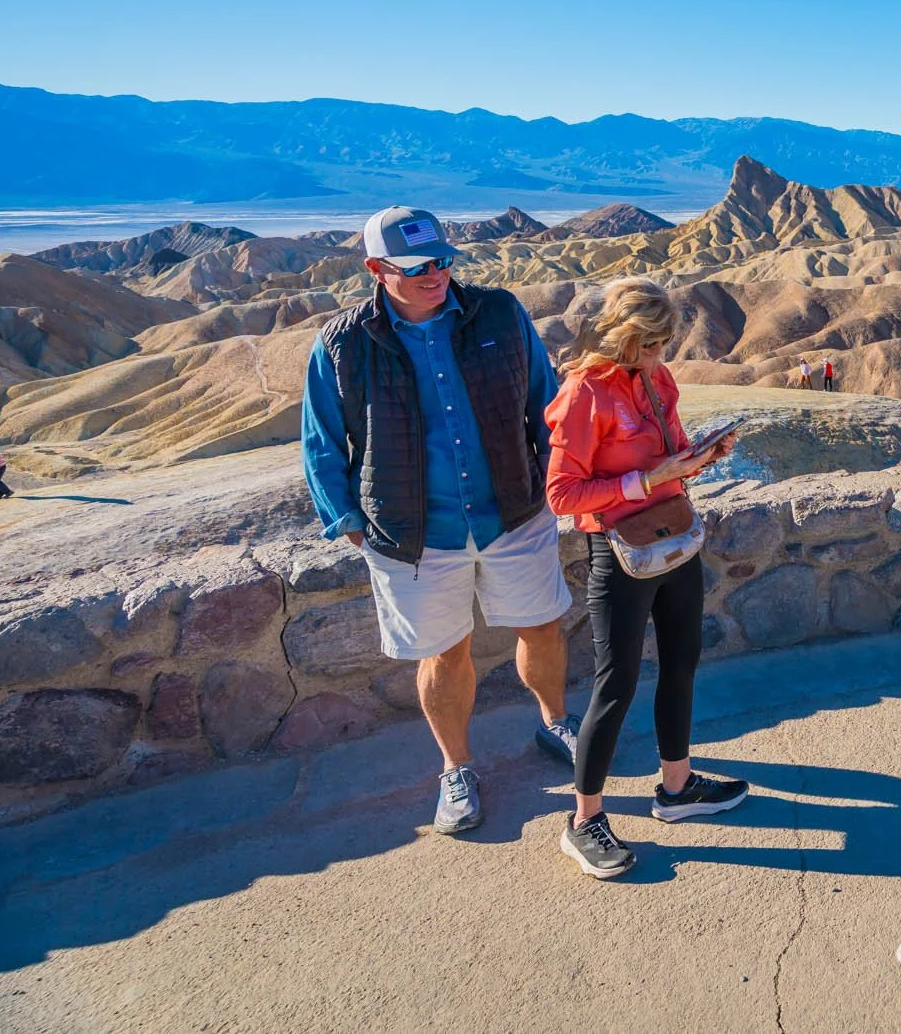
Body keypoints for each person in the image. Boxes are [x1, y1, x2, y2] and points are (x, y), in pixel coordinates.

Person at [302, 205, 576, 836]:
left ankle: (556, 721)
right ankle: (457, 769)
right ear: (375, 269)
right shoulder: (342, 343)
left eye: (445, 261)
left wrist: (561, 478)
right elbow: (321, 440)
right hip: (414, 535)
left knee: (542, 627)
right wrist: (346, 519)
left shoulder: (501, 314)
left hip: (514, 512)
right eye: (418, 266)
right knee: (445, 657)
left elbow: (545, 401)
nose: (437, 274)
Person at [544, 277, 747, 878]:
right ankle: (583, 820)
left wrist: (703, 455)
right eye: (653, 343)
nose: (663, 353)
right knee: (618, 684)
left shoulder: (656, 380)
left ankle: (677, 789)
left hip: (673, 537)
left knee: (683, 660)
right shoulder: (585, 392)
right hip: (619, 551)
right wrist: (649, 480)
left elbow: (673, 450)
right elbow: (561, 493)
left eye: (666, 342)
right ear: (626, 338)